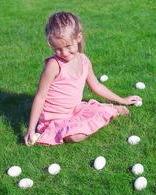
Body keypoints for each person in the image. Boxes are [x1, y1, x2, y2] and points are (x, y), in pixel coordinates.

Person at [24, 11, 141, 146]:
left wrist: (122, 99)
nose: (64, 53)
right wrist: (31, 129)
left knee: (94, 113)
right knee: (75, 136)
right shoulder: (53, 65)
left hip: (75, 109)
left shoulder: (84, 60)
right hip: (55, 118)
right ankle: (99, 116)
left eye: (68, 46)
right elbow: (40, 96)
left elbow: (96, 86)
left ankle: (112, 109)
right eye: (57, 49)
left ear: (78, 37)